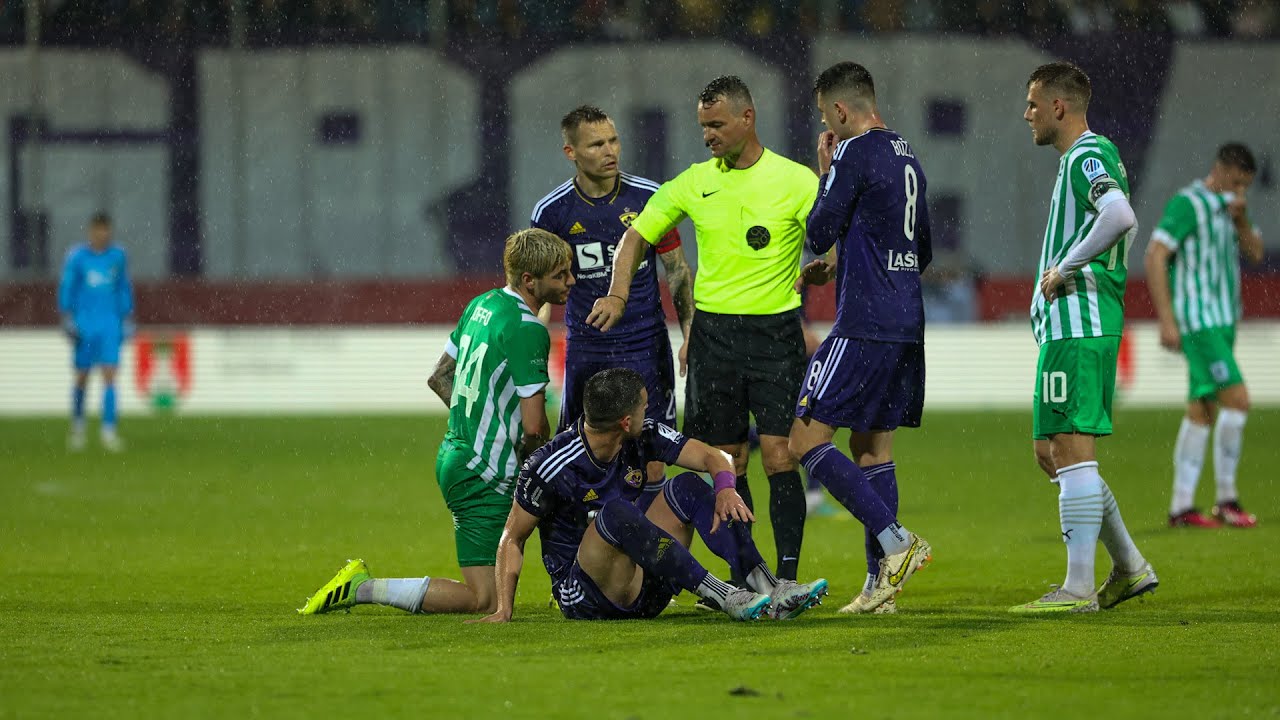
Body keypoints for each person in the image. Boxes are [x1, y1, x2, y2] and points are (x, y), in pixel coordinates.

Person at [587, 75, 817, 583]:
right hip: (714, 336)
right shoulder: (695, 181)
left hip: (777, 334)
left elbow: (833, 234)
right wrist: (618, 294)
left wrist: (828, 265)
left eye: (716, 125)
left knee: (781, 456)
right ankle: (751, 574)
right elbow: (637, 236)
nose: (707, 135)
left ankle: (789, 574)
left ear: (746, 118)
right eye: (702, 126)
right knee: (727, 460)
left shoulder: (796, 180)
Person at [298, 229, 574, 616]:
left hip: (456, 455)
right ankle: (362, 588)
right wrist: (535, 469)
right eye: (561, 274)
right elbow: (533, 429)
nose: (571, 281)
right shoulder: (528, 330)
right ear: (530, 280)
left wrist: (475, 421)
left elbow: (439, 376)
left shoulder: (483, 305)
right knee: (485, 598)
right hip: (484, 469)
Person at [468, 368, 828, 623]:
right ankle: (724, 595)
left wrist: (726, 487)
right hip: (586, 595)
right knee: (617, 513)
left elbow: (713, 456)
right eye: (643, 406)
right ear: (625, 421)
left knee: (685, 487)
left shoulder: (645, 435)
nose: (649, 411)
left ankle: (768, 587)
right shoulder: (551, 464)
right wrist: (503, 609)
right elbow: (512, 537)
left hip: (647, 578)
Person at [785, 61, 933, 616]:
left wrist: (825, 172)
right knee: (872, 447)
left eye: (827, 117)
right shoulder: (908, 156)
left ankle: (897, 542)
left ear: (841, 112)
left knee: (804, 440)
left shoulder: (851, 150)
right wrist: (845, 261)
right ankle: (879, 590)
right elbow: (921, 253)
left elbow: (817, 230)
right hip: (905, 321)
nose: (828, 126)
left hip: (863, 322)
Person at [1011, 61, 1156, 613]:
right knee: (1051, 452)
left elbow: (1120, 215)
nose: (1026, 114)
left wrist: (1063, 266)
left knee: (1069, 451)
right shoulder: (1088, 157)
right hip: (1072, 327)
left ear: (1058, 107)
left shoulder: (1085, 156)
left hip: (1079, 323)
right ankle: (1131, 567)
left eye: (1032, 103)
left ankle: (1076, 589)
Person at [530, 105, 694, 490]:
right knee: (580, 454)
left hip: (645, 346)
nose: (610, 151)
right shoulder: (552, 212)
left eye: (613, 140)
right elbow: (540, 292)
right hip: (588, 349)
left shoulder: (650, 197)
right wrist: (532, 351)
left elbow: (677, 271)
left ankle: (647, 547)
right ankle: (584, 543)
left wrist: (690, 334)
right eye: (596, 144)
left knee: (653, 458)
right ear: (571, 153)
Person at [1145, 142, 1262, 529]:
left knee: (1202, 410)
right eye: (1237, 182)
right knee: (1238, 400)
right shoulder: (1188, 204)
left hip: (1225, 321)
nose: (1240, 191)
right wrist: (1167, 319)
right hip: (1199, 321)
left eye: (1246, 186)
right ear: (1222, 170)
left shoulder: (1232, 210)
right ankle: (1227, 500)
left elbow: (1256, 254)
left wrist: (1242, 220)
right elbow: (1155, 255)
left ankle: (1181, 508)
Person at [58, 212, 134, 452]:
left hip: (110, 323)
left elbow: (123, 287)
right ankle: (78, 427)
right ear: (90, 231)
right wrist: (67, 316)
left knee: (110, 375)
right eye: (97, 229)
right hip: (85, 324)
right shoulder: (78, 257)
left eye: (105, 229)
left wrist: (127, 316)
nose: (102, 234)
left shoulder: (118, 256)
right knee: (82, 376)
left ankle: (108, 431)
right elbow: (68, 286)